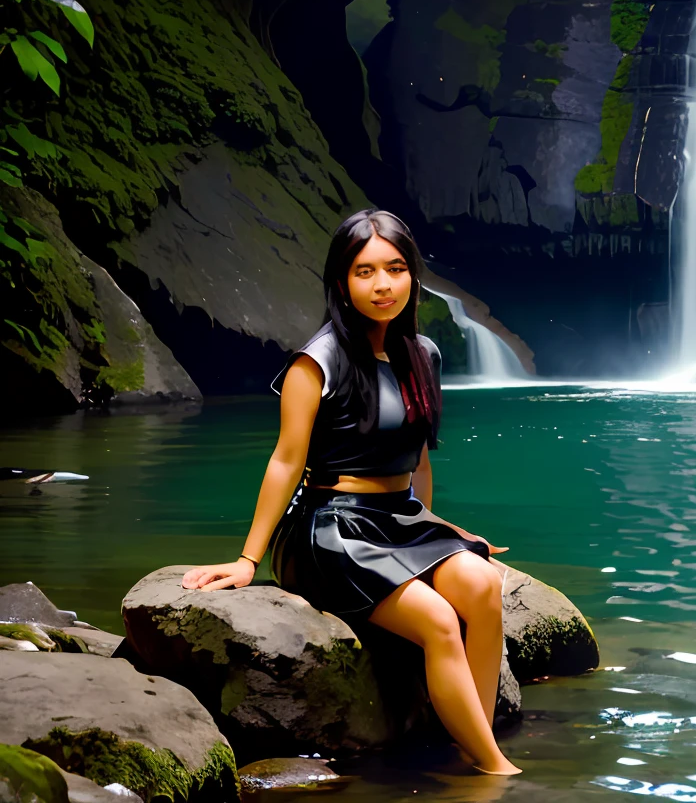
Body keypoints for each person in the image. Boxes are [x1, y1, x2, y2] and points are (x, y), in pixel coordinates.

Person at [182, 208, 519, 776]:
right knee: (439, 622)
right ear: (342, 281)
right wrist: (247, 561)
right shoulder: (317, 362)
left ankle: (470, 744)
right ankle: (494, 773)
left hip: (400, 519)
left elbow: (419, 458)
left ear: (413, 275)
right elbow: (286, 461)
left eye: (395, 268)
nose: (382, 285)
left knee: (482, 584)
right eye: (365, 272)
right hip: (331, 527)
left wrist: (436, 537)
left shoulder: (424, 355)